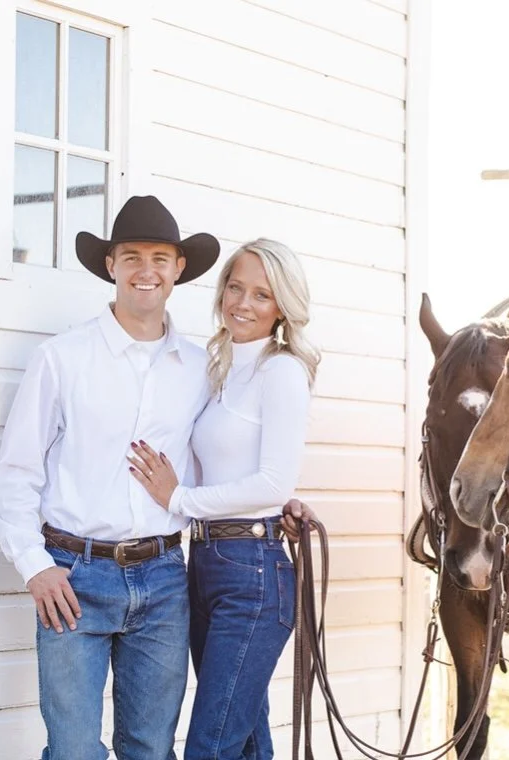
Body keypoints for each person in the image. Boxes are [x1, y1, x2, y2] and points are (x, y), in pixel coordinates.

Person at [0, 195, 219, 760]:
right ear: (111, 266)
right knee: (72, 750)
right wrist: (35, 566)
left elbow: (224, 459)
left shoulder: (200, 369)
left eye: (160, 258)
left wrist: (279, 502)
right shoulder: (61, 359)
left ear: (178, 269)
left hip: (164, 578)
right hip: (74, 577)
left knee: (150, 748)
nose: (147, 271)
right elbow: (15, 471)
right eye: (132, 256)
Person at [128, 238, 320, 760]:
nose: (243, 302)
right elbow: (238, 468)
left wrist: (179, 499)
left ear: (282, 306)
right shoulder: (217, 368)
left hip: (252, 574)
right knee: (246, 740)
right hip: (206, 565)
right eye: (235, 287)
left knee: (210, 747)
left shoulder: (281, 371)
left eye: (261, 294)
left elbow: (273, 484)